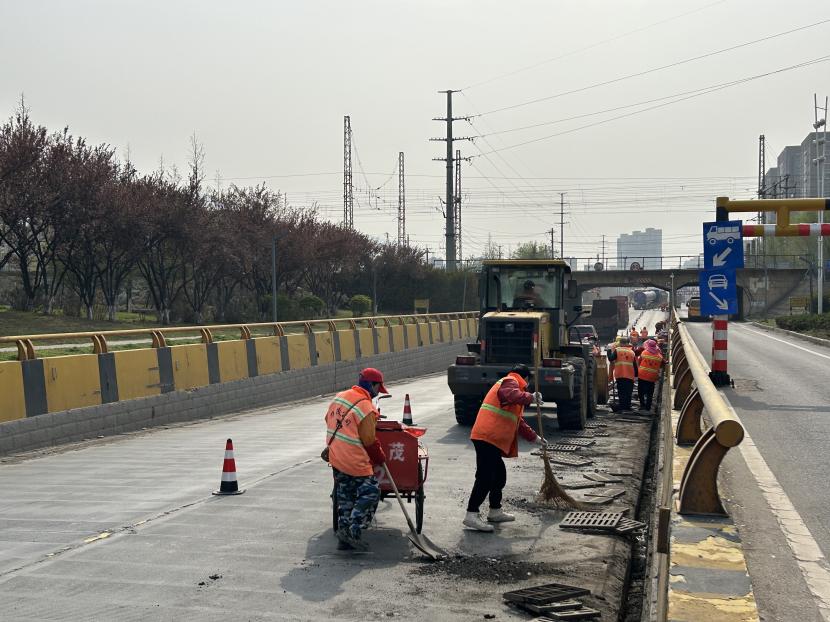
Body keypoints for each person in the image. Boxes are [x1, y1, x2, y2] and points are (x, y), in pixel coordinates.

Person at [464, 364, 546, 532]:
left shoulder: (513, 387)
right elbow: (508, 394)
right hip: (487, 436)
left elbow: (518, 422)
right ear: (526, 378)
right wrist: (530, 397)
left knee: (499, 476)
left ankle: (495, 511)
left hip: (491, 438)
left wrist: (536, 439)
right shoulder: (511, 381)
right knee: (485, 477)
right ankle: (471, 514)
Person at [324, 367, 388, 551]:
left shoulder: (340, 397)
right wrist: (379, 457)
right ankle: (354, 529)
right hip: (353, 458)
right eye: (378, 388)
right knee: (371, 491)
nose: (378, 392)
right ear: (371, 385)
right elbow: (369, 440)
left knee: (345, 495)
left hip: (336, 456)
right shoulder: (365, 407)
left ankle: (344, 537)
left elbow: (327, 419)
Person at [608, 336, 637, 411]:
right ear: (628, 343)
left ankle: (622, 406)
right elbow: (635, 365)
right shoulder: (632, 352)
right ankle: (627, 406)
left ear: (620, 343)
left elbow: (611, 358)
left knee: (621, 391)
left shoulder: (617, 350)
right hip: (630, 376)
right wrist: (636, 374)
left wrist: (609, 351)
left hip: (620, 375)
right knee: (628, 392)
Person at [637, 339, 663, 411]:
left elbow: (639, 362)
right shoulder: (659, 356)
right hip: (652, 377)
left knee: (641, 391)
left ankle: (642, 405)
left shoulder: (644, 352)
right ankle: (648, 407)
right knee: (650, 392)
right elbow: (661, 366)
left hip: (642, 375)